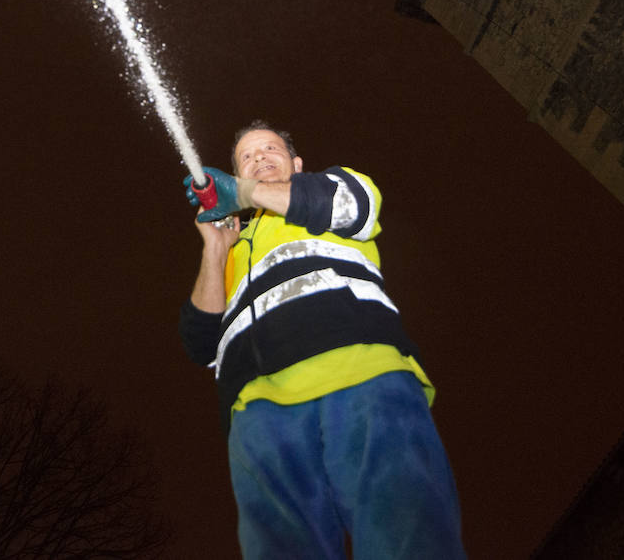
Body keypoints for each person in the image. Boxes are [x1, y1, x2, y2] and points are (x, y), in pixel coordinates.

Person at [178, 120, 466, 558]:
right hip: (257, 414)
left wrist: (246, 191)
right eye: (247, 158)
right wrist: (215, 250)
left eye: (269, 150)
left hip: (361, 376)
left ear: (296, 163)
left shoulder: (330, 189)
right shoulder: (235, 247)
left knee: (406, 539)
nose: (259, 160)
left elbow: (357, 204)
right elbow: (200, 343)